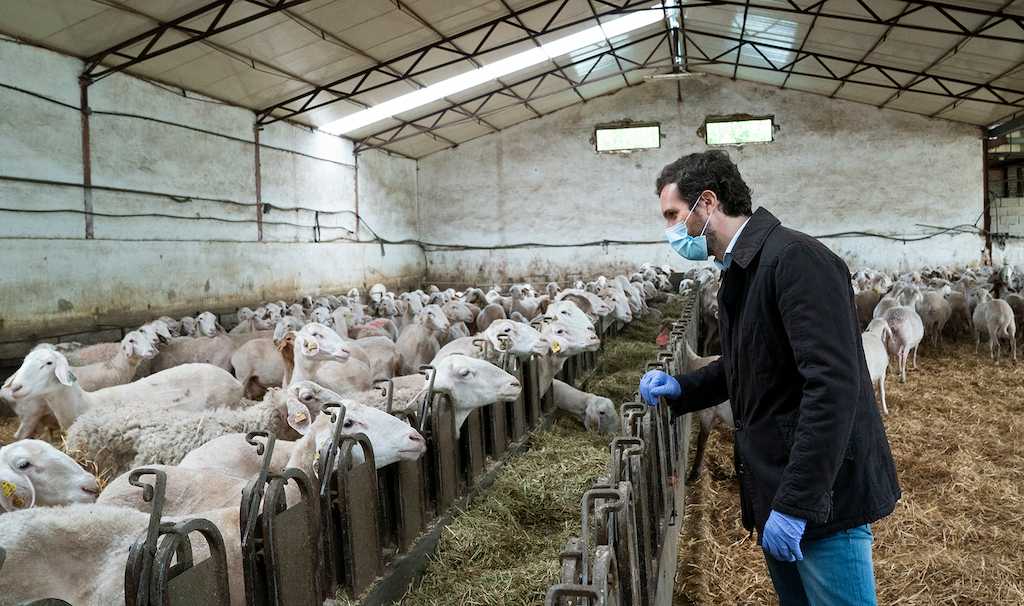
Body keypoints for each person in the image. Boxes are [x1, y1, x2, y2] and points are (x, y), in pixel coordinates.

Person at [640, 150, 900, 606]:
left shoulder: (795, 260)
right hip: (780, 491)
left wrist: (797, 503)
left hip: (823, 499)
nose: (670, 232)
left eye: (673, 216)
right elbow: (749, 363)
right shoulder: (743, 271)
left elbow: (833, 386)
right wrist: (684, 386)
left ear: (707, 203)